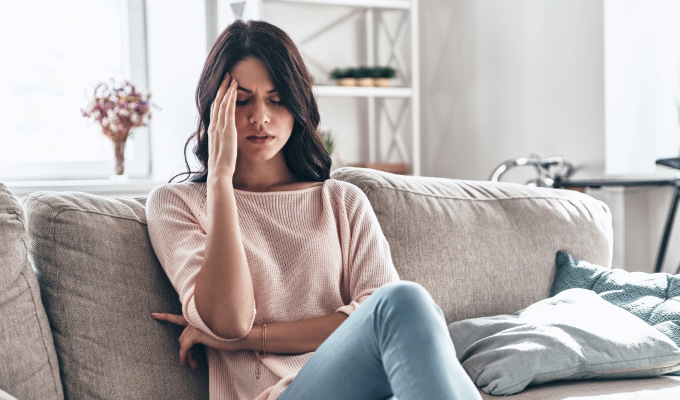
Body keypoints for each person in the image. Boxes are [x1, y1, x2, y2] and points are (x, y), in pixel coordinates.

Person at [145, 20, 481, 400]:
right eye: (242, 100)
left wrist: (252, 339)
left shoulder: (342, 201)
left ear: (297, 104)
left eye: (276, 99)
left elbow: (371, 319)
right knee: (405, 301)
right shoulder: (176, 204)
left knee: (411, 305)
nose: (260, 117)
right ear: (213, 108)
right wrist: (220, 180)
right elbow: (230, 321)